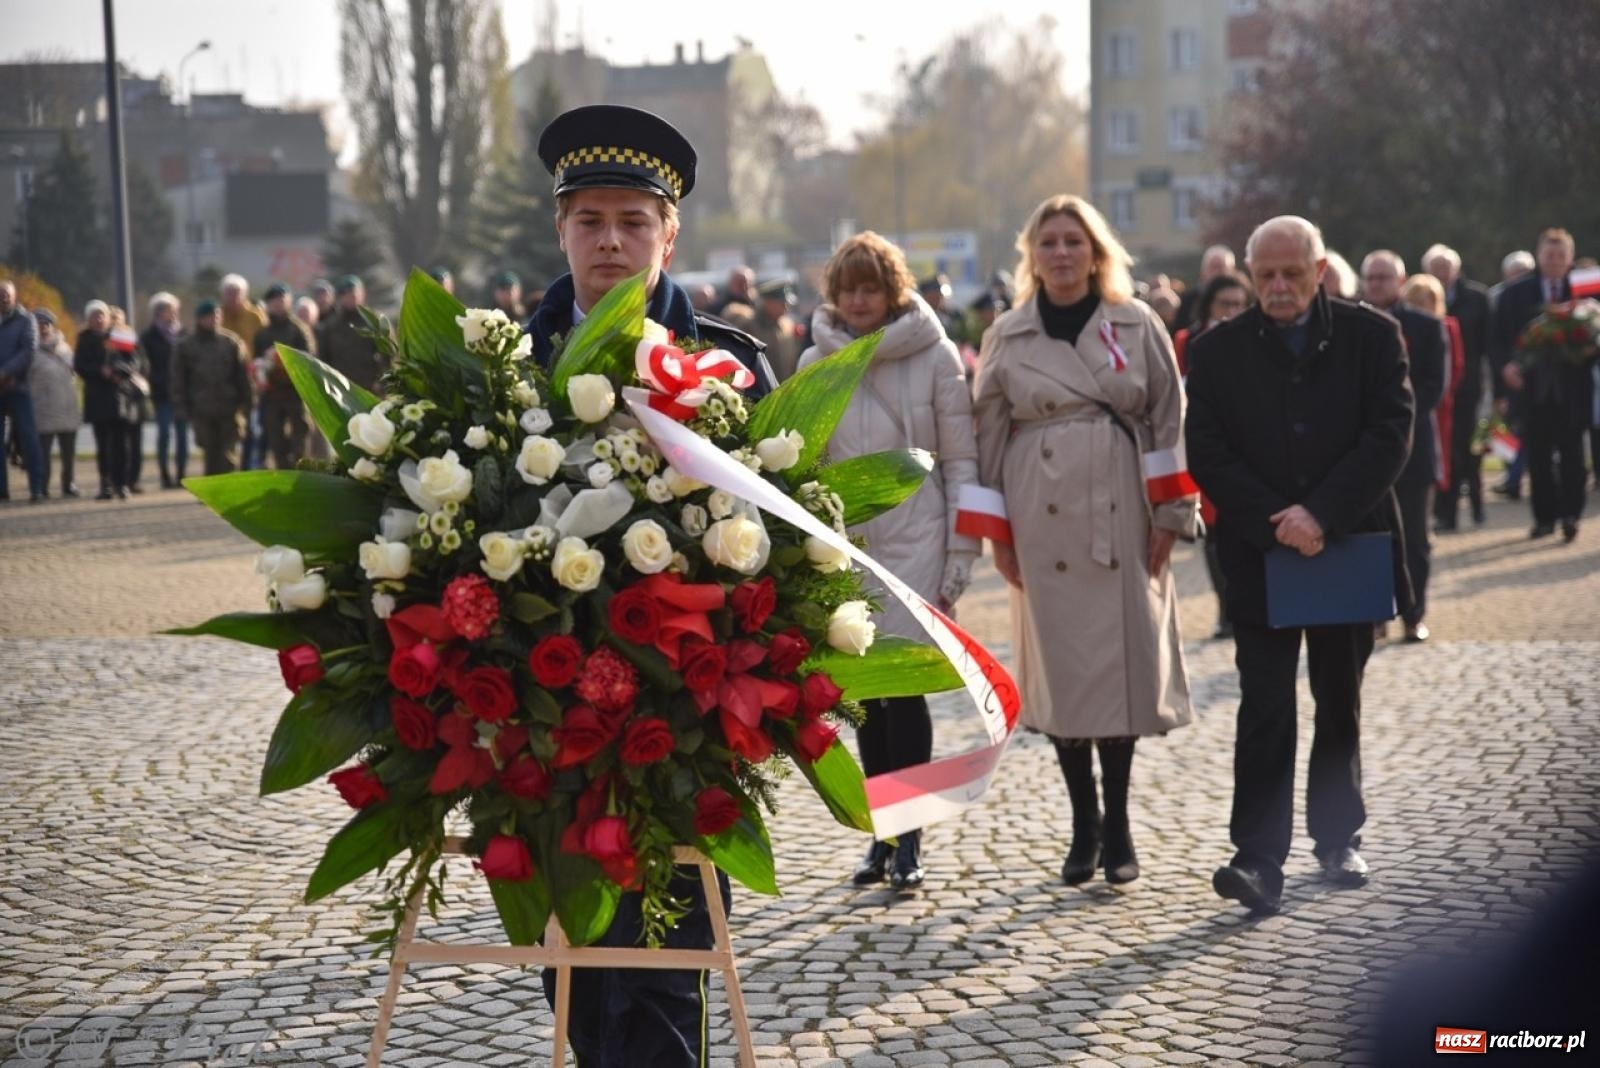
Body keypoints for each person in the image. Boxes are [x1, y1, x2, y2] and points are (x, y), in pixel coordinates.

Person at [523, 102, 772, 1068]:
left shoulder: (733, 369)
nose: (612, 242)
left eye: (635, 221)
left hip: (685, 714)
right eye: (591, 220)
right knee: (572, 963)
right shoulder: (504, 368)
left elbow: (783, 546)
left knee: (671, 962)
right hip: (545, 709)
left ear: (671, 233)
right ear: (561, 230)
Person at [1186, 215, 1414, 916]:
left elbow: (1390, 434)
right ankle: (1257, 858)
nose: (1279, 287)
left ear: (1320, 271)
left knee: (1338, 696)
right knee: (1264, 706)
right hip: (1260, 554)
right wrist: (1276, 521)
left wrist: (1322, 513)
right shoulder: (1217, 350)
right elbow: (1210, 451)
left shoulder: (1373, 336)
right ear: (1250, 277)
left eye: (1292, 274)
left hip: (1348, 542)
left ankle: (1338, 835)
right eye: (1265, 276)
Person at [972, 194, 1197, 889]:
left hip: (1123, 503)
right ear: (1031, 256)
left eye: (1074, 241)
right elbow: (983, 439)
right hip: (1042, 517)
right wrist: (995, 537)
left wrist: (1169, 515)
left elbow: (1167, 417)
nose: (1062, 253)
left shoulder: (1136, 324)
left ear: (1097, 251)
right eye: (1049, 242)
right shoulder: (1006, 335)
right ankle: (1083, 824)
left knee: (1120, 667)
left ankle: (1121, 822)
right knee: (1064, 674)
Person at [799, 231, 980, 891]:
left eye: (870, 287)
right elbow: (800, 459)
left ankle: (912, 838)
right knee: (868, 699)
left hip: (920, 537)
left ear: (893, 289)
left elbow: (962, 458)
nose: (859, 300)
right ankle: (882, 834)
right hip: (850, 544)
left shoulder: (935, 359)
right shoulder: (816, 360)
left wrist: (962, 549)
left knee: (906, 690)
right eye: (848, 289)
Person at [1360, 251, 1448, 642]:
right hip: (1362, 450)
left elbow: (1433, 385)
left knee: (1415, 537)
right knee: (1371, 536)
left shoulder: (1426, 327)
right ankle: (1376, 614)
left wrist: (1395, 423)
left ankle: (1414, 614)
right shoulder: (1348, 326)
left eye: (1384, 277)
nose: (1377, 284)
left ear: (1401, 281)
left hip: (1413, 445)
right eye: (1371, 277)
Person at [1173, 270, 1256, 639]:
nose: (1232, 311)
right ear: (1210, 305)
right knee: (1214, 535)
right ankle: (1225, 609)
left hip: (1249, 451)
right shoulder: (1188, 340)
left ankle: (1245, 606)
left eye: (1239, 304)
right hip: (1204, 448)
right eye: (1226, 304)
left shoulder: (1256, 338)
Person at [1494, 229, 1587, 541]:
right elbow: (1499, 340)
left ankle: (1571, 515)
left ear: (1570, 258)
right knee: (1538, 457)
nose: (1555, 261)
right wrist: (1507, 368)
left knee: (1573, 455)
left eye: (1562, 256)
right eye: (1550, 255)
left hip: (1573, 390)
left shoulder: (1586, 290)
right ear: (1538, 256)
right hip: (1532, 391)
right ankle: (1544, 518)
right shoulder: (1515, 293)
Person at [1423, 244, 1492, 530]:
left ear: (1456, 268)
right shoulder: (1421, 295)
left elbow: (1489, 343)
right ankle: (1446, 514)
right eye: (1435, 267)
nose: (1441, 272)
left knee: (1469, 449)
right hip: (1438, 388)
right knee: (1446, 451)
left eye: (1445, 266)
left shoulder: (1477, 297)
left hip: (1469, 386)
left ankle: (1477, 506)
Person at [1402, 273, 1467, 538]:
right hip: (1415, 405)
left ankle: (1444, 513)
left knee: (1441, 459)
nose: (1421, 305)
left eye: (1426, 300)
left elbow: (1455, 366)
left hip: (1439, 404)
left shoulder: (1444, 326)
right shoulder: (1402, 324)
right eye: (1416, 300)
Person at [173, 300, 252, 475]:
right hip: (201, 407)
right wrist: (182, 406)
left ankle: (229, 492)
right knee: (210, 452)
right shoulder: (186, 346)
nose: (213, 319)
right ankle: (212, 492)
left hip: (229, 406)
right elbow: (179, 380)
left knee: (228, 453)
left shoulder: (231, 342)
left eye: (217, 315)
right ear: (200, 319)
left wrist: (247, 402)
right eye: (209, 316)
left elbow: (243, 376)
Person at [254, 283, 315, 469]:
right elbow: (256, 363)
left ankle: (301, 475)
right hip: (272, 394)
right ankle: (284, 472)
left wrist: (284, 360)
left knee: (300, 435)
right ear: (268, 304)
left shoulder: (298, 329)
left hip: (295, 391)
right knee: (276, 438)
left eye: (282, 300)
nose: (279, 304)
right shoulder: (262, 334)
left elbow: (308, 357)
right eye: (275, 301)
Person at [73, 300, 129, 500]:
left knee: (121, 445)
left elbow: (134, 360)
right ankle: (105, 484)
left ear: (107, 317)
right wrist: (99, 371)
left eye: (101, 315)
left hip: (119, 397)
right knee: (102, 445)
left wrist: (119, 372)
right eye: (94, 316)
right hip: (97, 398)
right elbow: (79, 366)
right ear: (88, 319)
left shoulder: (120, 336)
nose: (98, 319)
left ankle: (122, 484)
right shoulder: (84, 339)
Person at [0, 280, 46, 503]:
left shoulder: (26, 319)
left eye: (6, 294)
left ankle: (36, 487)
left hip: (18, 386)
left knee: (28, 438)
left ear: (14, 296)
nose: (3, 298)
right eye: (0, 295)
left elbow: (29, 350)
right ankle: (2, 489)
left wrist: (5, 372)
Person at [28, 308, 80, 497]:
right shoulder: (30, 350)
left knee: (68, 452)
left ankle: (69, 483)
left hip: (67, 406)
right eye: (39, 324)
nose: (43, 328)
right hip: (43, 408)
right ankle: (43, 485)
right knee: (43, 452)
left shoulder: (66, 349)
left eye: (46, 324)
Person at [219, 274, 269, 471]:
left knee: (252, 426)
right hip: (225, 380)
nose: (233, 297)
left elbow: (265, 344)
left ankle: (249, 466)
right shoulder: (218, 315)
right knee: (228, 428)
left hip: (251, 378)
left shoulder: (255, 316)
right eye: (229, 293)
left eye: (237, 293)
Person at [142, 292, 187, 489]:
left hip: (183, 393)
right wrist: (154, 381)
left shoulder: (184, 334)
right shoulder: (148, 336)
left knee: (183, 436)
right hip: (161, 393)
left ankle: (181, 476)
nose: (173, 314)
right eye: (168, 310)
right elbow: (144, 364)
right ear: (158, 313)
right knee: (164, 435)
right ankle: (165, 475)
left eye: (174, 310)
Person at [106, 306, 151, 494]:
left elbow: (143, 364)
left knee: (135, 443)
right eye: (112, 318)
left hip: (134, 398)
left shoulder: (132, 340)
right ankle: (116, 480)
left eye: (119, 318)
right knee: (117, 444)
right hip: (114, 400)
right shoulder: (107, 343)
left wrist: (130, 373)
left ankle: (133, 480)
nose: (116, 322)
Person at [316, 276, 386, 392]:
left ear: (363, 294)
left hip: (371, 388)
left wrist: (384, 385)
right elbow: (323, 359)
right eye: (347, 295)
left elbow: (388, 355)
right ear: (340, 297)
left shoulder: (374, 321)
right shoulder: (331, 326)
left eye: (354, 294)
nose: (352, 298)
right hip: (341, 389)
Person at [748, 278, 802, 382]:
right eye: (782, 304)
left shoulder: (787, 325)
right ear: (768, 302)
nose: (786, 308)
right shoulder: (750, 326)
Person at [1177, 243, 1237, 330]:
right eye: (1213, 267)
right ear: (1203, 270)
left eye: (1221, 268)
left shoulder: (1242, 298)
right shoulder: (1188, 300)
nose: (1217, 273)